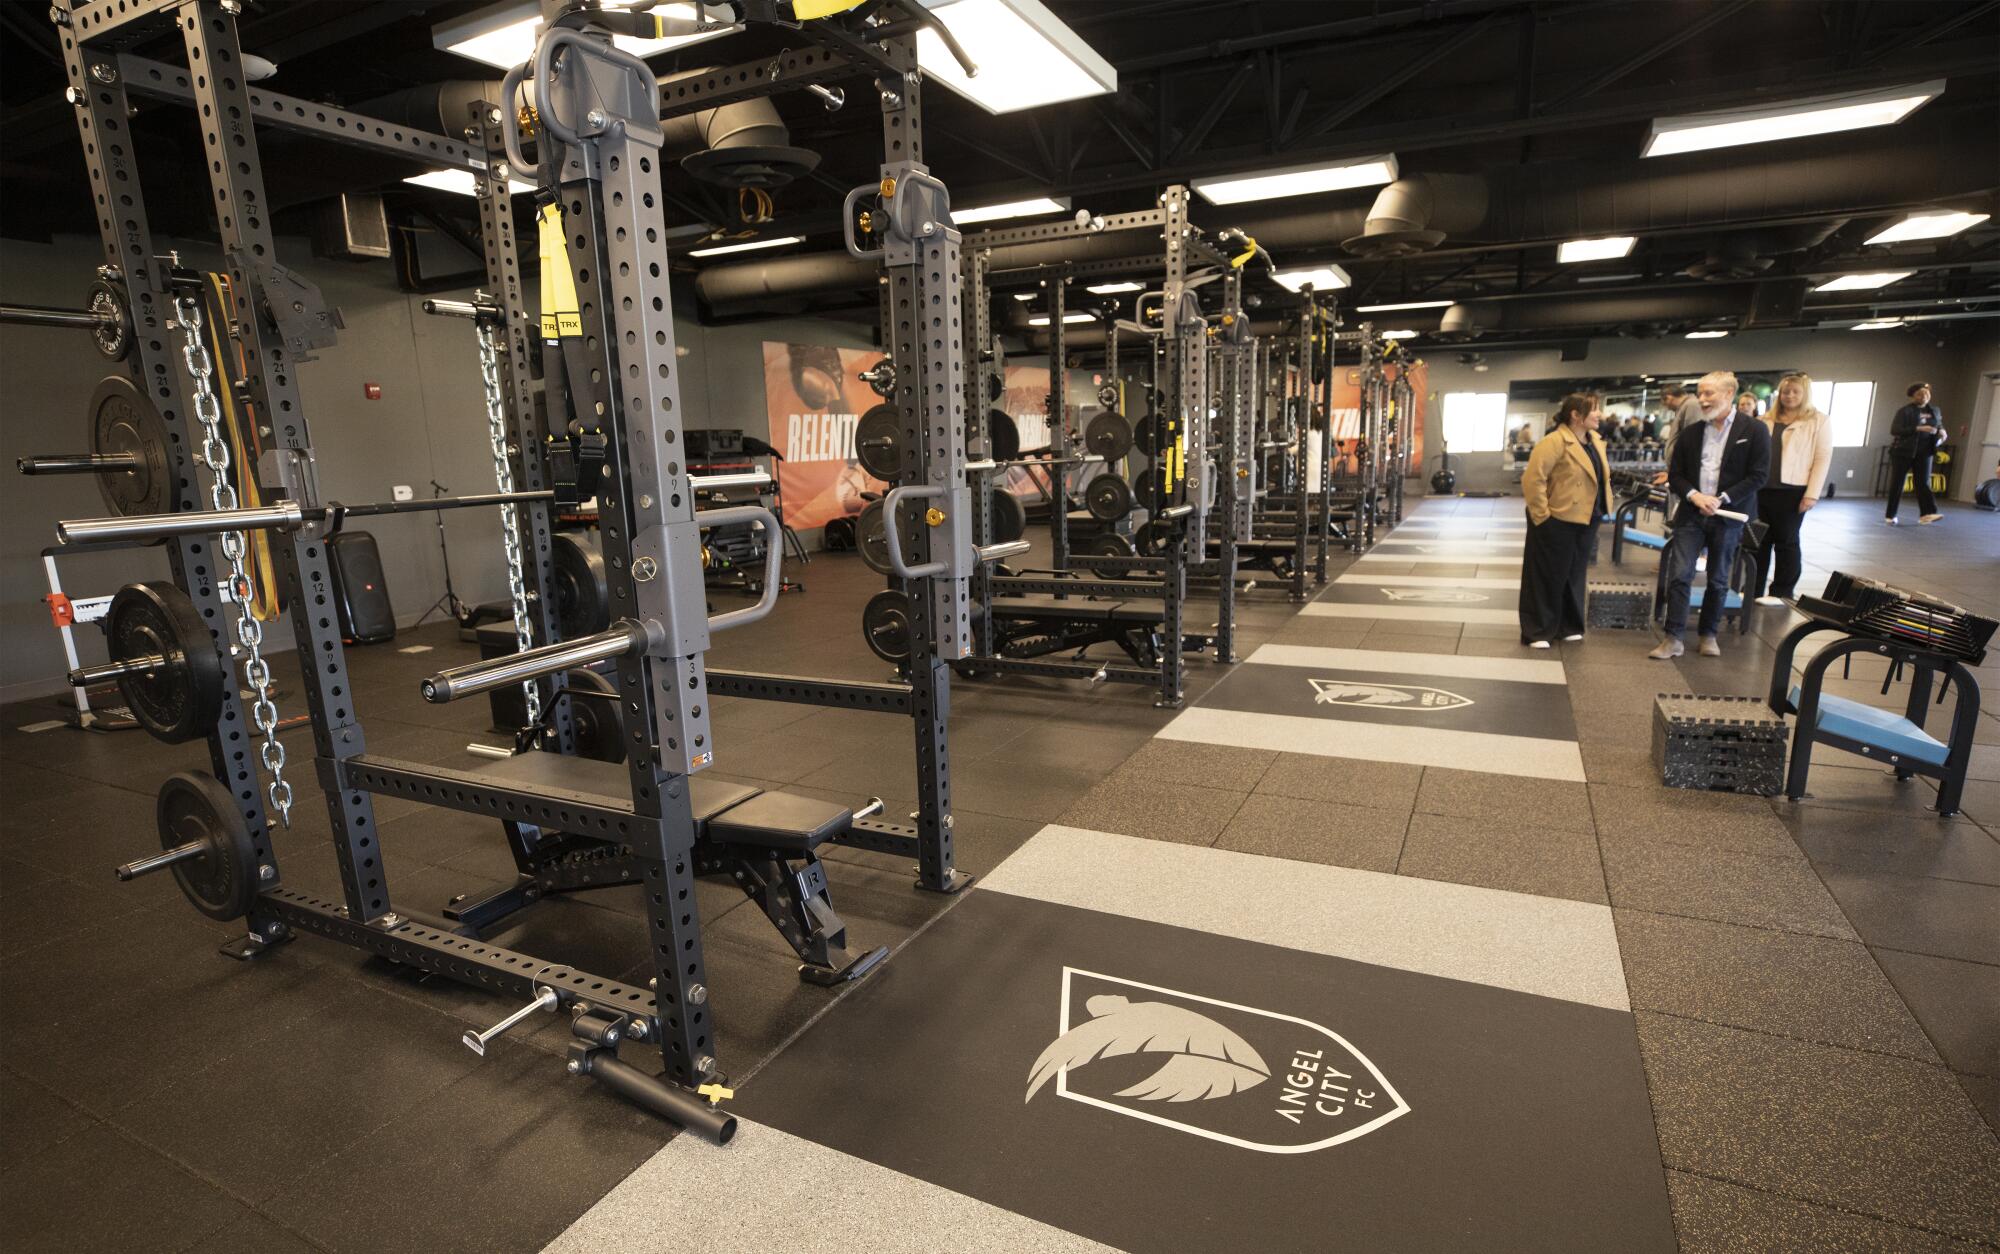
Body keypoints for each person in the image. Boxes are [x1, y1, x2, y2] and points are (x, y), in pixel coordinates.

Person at [1648, 370, 1771, 660]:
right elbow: (1676, 475)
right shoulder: (1691, 433)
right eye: (1700, 393)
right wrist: (1695, 496)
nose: (1701, 399)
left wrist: (1721, 499)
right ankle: (1673, 637)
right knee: (1679, 574)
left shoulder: (1754, 431)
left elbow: (1759, 475)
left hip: (1729, 515)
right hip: (1692, 513)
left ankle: (1708, 635)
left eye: (1708, 394)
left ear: (1729, 394)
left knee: (1718, 579)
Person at [1519, 393, 1611, 648]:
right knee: (1547, 575)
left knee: (1574, 574)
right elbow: (1533, 480)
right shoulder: (1554, 442)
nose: (1599, 415)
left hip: (1587, 517)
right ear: (1576, 415)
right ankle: (1538, 630)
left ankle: (1568, 625)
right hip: (1556, 518)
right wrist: (1543, 516)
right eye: (1594, 410)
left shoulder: (1594, 442)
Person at [1752, 372, 1832, 605]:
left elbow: (1822, 458)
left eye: (1795, 391)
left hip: (1793, 491)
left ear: (1805, 393)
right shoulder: (1764, 419)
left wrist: (1812, 494)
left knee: (1786, 541)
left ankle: (1782, 592)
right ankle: (1754, 588)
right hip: (1762, 489)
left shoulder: (1819, 421)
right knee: (1758, 541)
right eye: (1786, 391)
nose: (1789, 395)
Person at [1885, 382, 1947, 524]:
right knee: (1898, 483)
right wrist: (1918, 428)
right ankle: (1891, 514)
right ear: (1913, 396)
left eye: (1927, 393)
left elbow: (1938, 424)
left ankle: (1927, 514)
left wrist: (1942, 430)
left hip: (1925, 451)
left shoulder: (1934, 410)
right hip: (1903, 451)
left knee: (1923, 483)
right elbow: (1895, 430)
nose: (1924, 396)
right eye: (1920, 394)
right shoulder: (1905, 411)